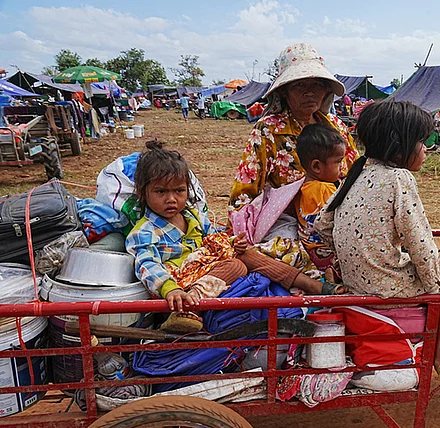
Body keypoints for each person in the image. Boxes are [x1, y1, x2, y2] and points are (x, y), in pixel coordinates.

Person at [314, 100, 440, 380]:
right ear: (399, 146)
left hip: (355, 279)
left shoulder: (357, 172)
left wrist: (346, 254)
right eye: (422, 142)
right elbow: (420, 242)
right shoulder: (399, 178)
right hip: (386, 284)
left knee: (429, 265)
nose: (426, 149)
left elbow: (322, 223)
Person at [126, 141, 342, 332]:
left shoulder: (192, 216)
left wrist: (231, 242)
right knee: (237, 266)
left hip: (205, 268)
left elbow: (213, 239)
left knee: (247, 253)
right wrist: (169, 289)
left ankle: (312, 284)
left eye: (179, 191)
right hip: (180, 288)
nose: (171, 199)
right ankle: (188, 310)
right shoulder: (143, 231)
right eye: (161, 192)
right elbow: (147, 265)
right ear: (143, 192)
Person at [230, 43, 358, 209]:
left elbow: (355, 174)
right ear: (284, 91)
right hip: (286, 222)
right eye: (300, 85)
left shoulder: (336, 127)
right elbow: (245, 191)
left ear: (326, 90)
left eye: (317, 84)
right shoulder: (268, 130)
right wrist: (241, 227)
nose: (309, 92)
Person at [294, 123, 345, 271]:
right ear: (316, 166)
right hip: (326, 254)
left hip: (308, 250)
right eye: (338, 161)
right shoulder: (325, 189)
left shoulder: (300, 187)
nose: (342, 167)